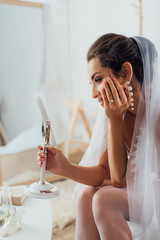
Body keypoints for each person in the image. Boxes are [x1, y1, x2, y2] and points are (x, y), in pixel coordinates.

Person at [37, 33, 160, 240]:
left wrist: (114, 121)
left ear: (126, 72)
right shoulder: (119, 111)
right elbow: (106, 172)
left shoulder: (154, 112)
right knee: (86, 195)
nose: (93, 93)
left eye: (98, 79)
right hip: (140, 192)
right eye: (92, 83)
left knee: (104, 199)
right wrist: (64, 167)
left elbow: (118, 180)